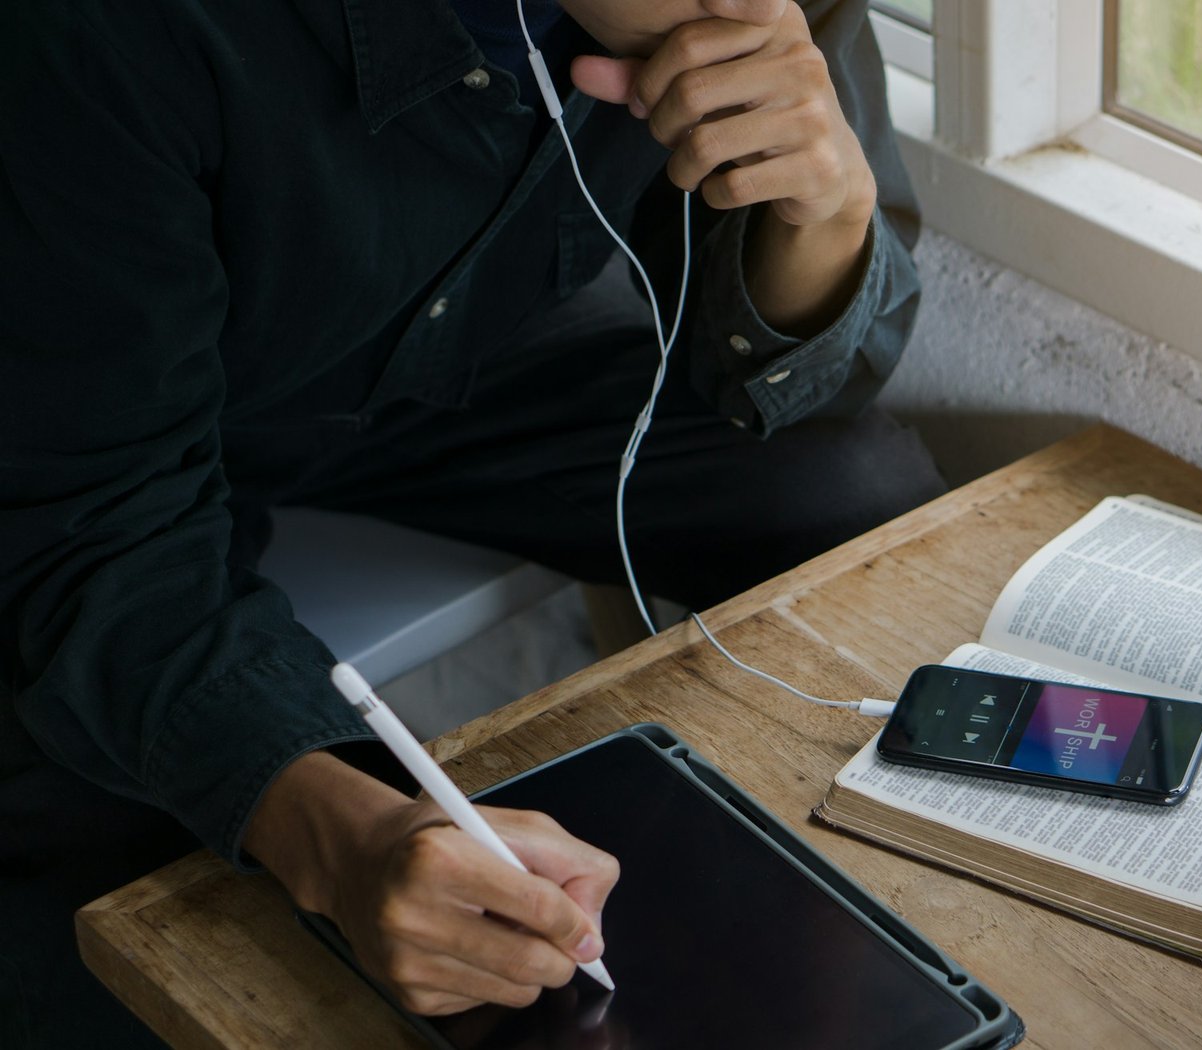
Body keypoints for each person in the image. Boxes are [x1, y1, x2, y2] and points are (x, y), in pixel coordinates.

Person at [0, 0, 943, 1043]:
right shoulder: (105, 37)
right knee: (123, 863)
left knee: (843, 497)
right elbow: (85, 527)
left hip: (455, 342)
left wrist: (828, 214)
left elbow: (804, 370)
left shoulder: (751, 5)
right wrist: (345, 832)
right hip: (98, 402)